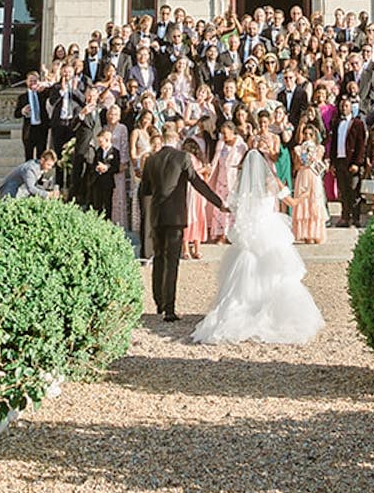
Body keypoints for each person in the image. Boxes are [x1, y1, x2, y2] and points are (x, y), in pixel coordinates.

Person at [192, 147, 324, 346]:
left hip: (249, 233)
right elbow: (292, 201)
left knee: (243, 274)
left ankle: (242, 311)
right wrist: (304, 195)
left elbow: (231, 207)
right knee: (278, 273)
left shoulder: (239, 186)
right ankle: (277, 313)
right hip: (270, 230)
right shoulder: (272, 182)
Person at [138, 122, 225, 322]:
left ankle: (159, 302)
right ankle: (169, 308)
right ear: (176, 139)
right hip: (176, 216)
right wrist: (218, 203)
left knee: (158, 258)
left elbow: (145, 191)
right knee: (173, 261)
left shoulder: (151, 160)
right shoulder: (183, 157)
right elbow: (198, 183)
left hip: (157, 215)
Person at [331, 94, 367, 229]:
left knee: (354, 190)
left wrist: (357, 163)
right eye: (342, 106)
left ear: (351, 108)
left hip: (352, 162)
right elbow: (334, 143)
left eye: (346, 106)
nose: (343, 108)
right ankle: (345, 217)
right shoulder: (337, 123)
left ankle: (355, 218)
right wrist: (332, 163)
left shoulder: (357, 123)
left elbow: (361, 144)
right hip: (340, 161)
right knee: (343, 190)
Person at [290, 124, 327, 245]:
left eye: (310, 134)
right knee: (303, 202)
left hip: (313, 175)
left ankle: (315, 233)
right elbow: (295, 166)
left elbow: (318, 162)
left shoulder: (319, 148)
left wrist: (312, 157)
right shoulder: (298, 149)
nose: (307, 137)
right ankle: (305, 234)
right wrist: (301, 158)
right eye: (305, 134)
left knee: (314, 201)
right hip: (303, 175)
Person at [14, 70, 47, 163]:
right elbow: (16, 114)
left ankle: (39, 177)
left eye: (35, 81)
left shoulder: (43, 95)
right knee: (29, 156)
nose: (33, 83)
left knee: (41, 156)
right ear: (26, 82)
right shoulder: (22, 97)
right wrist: (22, 111)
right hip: (29, 129)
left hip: (41, 128)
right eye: (31, 80)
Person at [88, 126, 120, 218]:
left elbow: (116, 167)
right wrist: (96, 168)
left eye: (101, 141)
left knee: (107, 205)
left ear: (107, 140)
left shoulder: (114, 152)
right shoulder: (98, 151)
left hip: (107, 182)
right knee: (97, 204)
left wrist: (106, 167)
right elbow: (94, 163)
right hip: (97, 181)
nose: (100, 144)